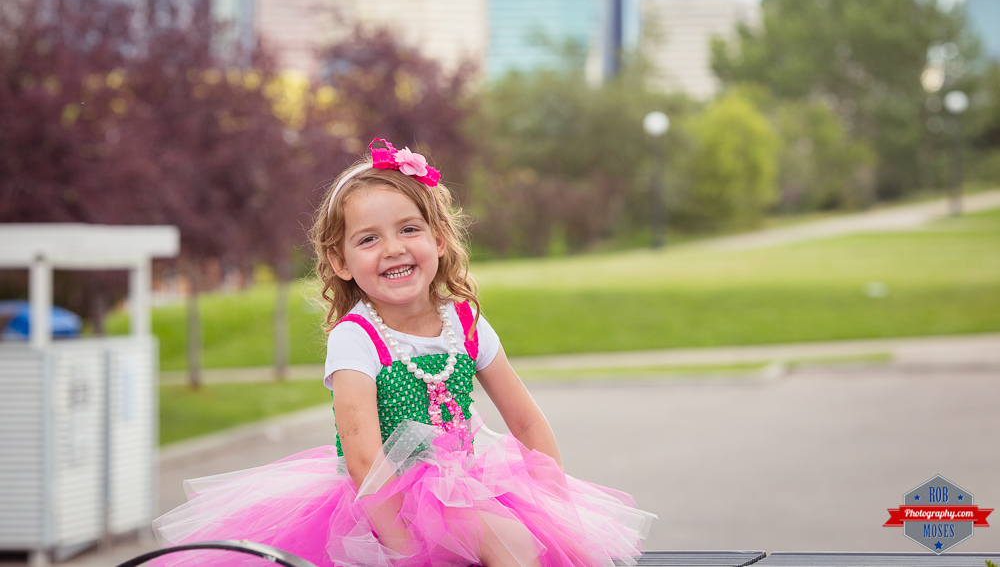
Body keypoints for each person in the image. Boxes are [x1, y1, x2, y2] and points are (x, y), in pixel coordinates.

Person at [153, 138, 655, 567]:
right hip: (385, 500)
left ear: (438, 239)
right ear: (340, 261)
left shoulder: (465, 323)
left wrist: (554, 504)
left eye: (409, 229)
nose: (392, 248)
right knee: (512, 543)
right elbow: (364, 456)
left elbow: (525, 423)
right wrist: (403, 548)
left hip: (469, 485)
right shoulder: (357, 338)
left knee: (540, 542)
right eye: (368, 239)